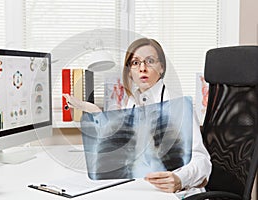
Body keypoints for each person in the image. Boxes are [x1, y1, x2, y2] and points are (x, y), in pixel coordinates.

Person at [63, 38, 211, 197]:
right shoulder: (131, 102)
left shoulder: (178, 104)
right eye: (135, 63)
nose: (142, 68)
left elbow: (202, 161)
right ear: (129, 72)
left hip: (175, 193)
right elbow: (116, 142)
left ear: (161, 67)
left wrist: (180, 178)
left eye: (150, 61)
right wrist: (93, 110)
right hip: (140, 188)